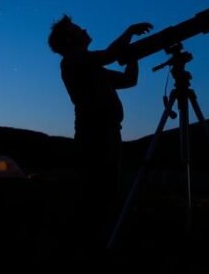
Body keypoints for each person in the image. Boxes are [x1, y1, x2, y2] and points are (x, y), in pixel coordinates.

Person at [48, 15, 153, 250]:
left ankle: (104, 239)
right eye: (76, 29)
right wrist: (129, 31)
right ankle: (95, 244)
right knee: (99, 190)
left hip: (108, 130)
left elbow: (128, 80)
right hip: (94, 132)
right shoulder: (73, 61)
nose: (83, 28)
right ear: (69, 39)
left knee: (108, 188)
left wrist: (134, 57)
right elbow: (109, 55)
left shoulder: (90, 66)